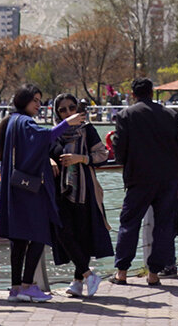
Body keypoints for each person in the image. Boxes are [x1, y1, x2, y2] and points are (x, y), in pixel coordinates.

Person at [0, 84, 87, 302]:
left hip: (16, 188)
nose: (39, 105)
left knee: (18, 240)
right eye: (35, 100)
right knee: (39, 235)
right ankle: (28, 285)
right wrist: (68, 123)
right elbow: (45, 138)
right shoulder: (25, 122)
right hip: (29, 191)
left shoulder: (13, 121)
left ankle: (15, 288)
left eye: (39, 100)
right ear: (24, 100)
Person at [111, 77, 178, 285]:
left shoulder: (126, 115)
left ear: (133, 94)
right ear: (152, 93)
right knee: (163, 226)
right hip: (168, 179)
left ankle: (122, 272)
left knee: (129, 224)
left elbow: (119, 150)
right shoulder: (170, 114)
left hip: (138, 178)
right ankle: (154, 274)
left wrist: (127, 163)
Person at [49, 94, 113, 299]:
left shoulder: (87, 130)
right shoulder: (53, 134)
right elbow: (38, 151)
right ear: (56, 113)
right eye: (63, 110)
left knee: (82, 236)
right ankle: (88, 275)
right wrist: (47, 161)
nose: (68, 113)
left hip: (84, 189)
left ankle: (78, 281)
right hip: (59, 191)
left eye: (71, 108)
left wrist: (80, 158)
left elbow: (102, 155)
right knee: (63, 232)